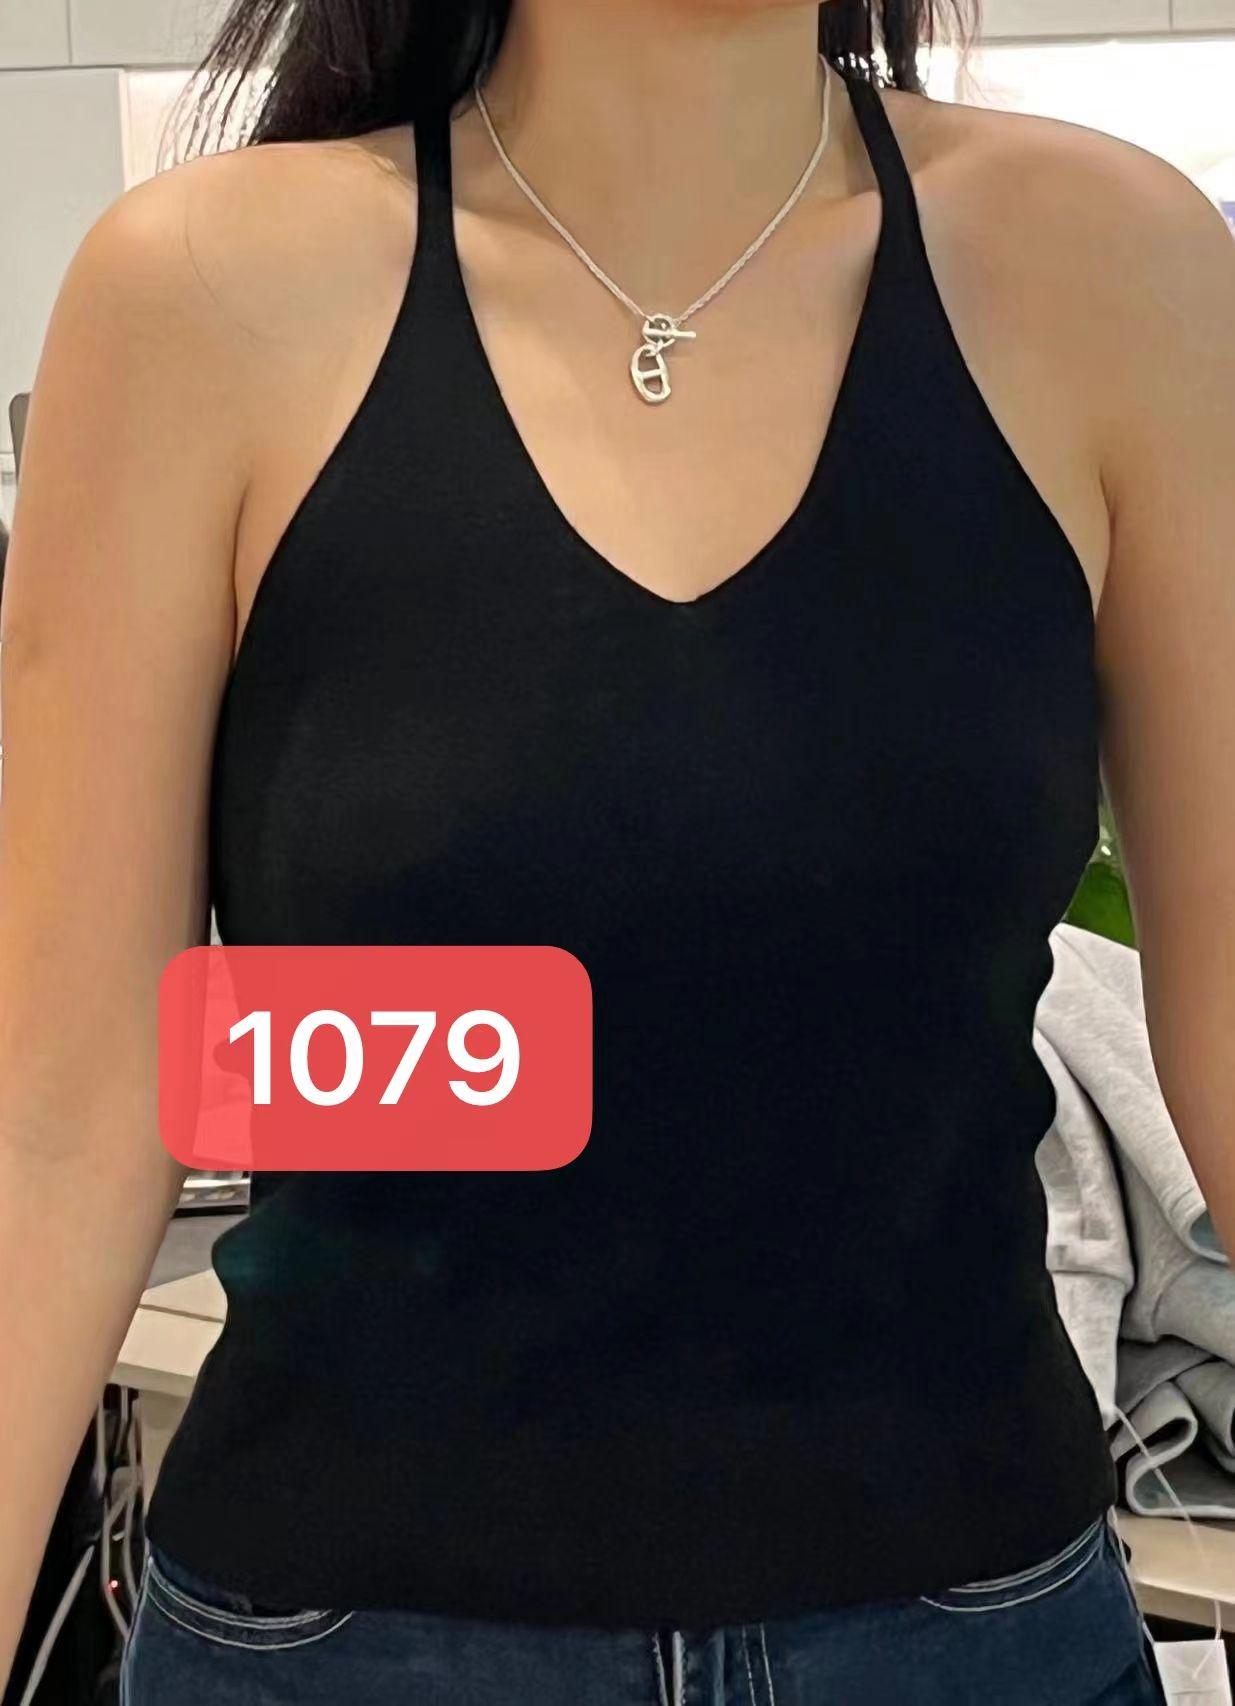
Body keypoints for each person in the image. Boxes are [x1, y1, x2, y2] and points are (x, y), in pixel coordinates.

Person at [1, 2, 1232, 1701]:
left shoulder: (1113, 268)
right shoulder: (203, 295)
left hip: (974, 1628)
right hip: (353, 1644)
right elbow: (60, 1124)